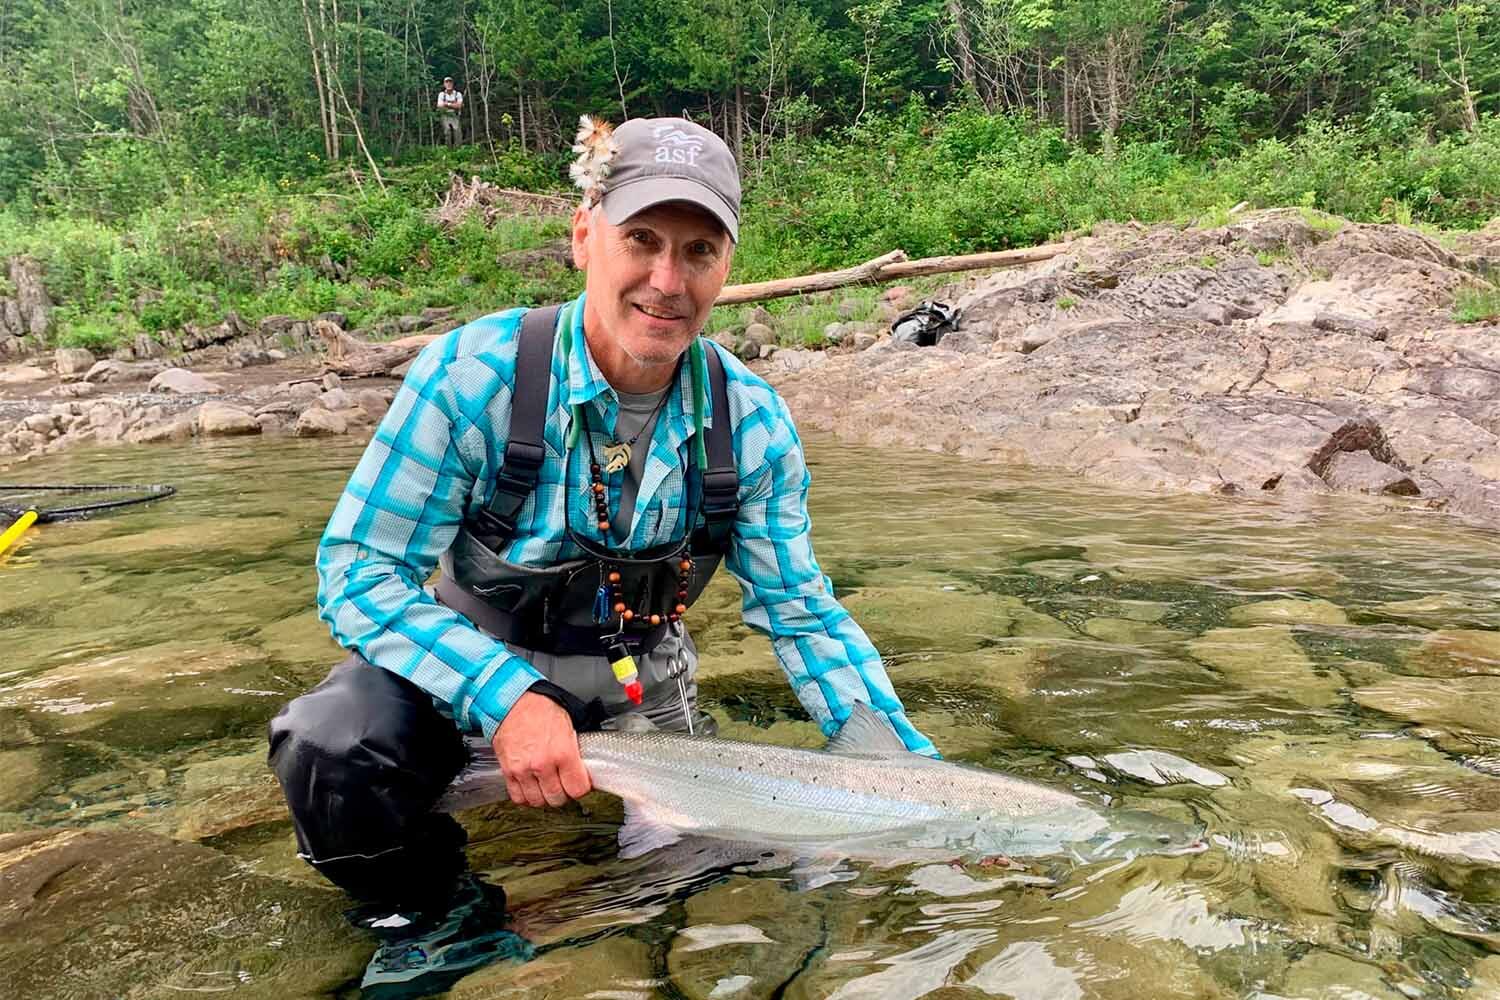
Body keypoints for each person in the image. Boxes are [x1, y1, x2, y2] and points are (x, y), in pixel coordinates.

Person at [267, 115, 936, 984]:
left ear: (727, 266)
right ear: (585, 237)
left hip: (642, 702)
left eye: (699, 251)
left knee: (721, 888)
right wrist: (507, 697)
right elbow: (356, 573)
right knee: (332, 744)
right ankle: (435, 922)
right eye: (643, 240)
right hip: (466, 692)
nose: (667, 280)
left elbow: (801, 615)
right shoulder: (475, 377)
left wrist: (918, 781)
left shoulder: (756, 424)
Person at [436, 77, 463, 146]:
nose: (449, 84)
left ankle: (458, 149)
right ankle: (448, 149)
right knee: (447, 131)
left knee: (457, 131)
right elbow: (439, 106)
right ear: (444, 84)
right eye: (447, 82)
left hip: (455, 115)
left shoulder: (458, 94)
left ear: (453, 84)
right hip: (445, 115)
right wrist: (453, 105)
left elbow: (459, 106)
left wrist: (447, 104)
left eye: (450, 82)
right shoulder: (441, 94)